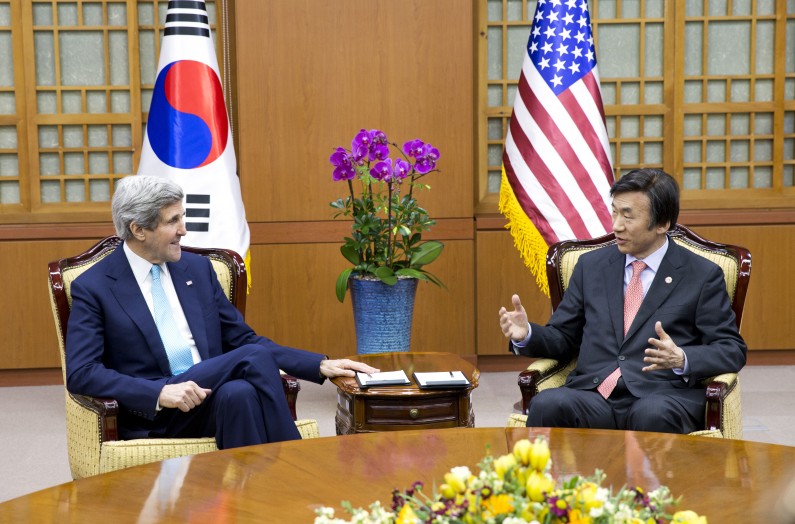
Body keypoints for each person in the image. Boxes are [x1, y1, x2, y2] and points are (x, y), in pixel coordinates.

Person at [65, 175, 378, 449]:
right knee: (251, 361)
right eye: (173, 221)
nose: (184, 230)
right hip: (157, 414)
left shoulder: (197, 270)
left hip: (210, 398)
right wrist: (160, 392)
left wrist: (320, 365)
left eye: (182, 217)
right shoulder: (94, 287)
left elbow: (243, 340)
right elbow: (82, 373)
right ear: (139, 229)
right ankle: (296, 461)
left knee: (239, 393)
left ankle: (253, 503)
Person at [498, 168, 746, 434]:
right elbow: (564, 337)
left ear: (662, 224)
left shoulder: (701, 275)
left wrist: (682, 358)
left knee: (652, 413)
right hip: (594, 394)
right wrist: (527, 334)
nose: (616, 225)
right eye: (614, 212)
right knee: (549, 403)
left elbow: (732, 349)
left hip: (660, 395)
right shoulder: (590, 266)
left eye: (628, 216)